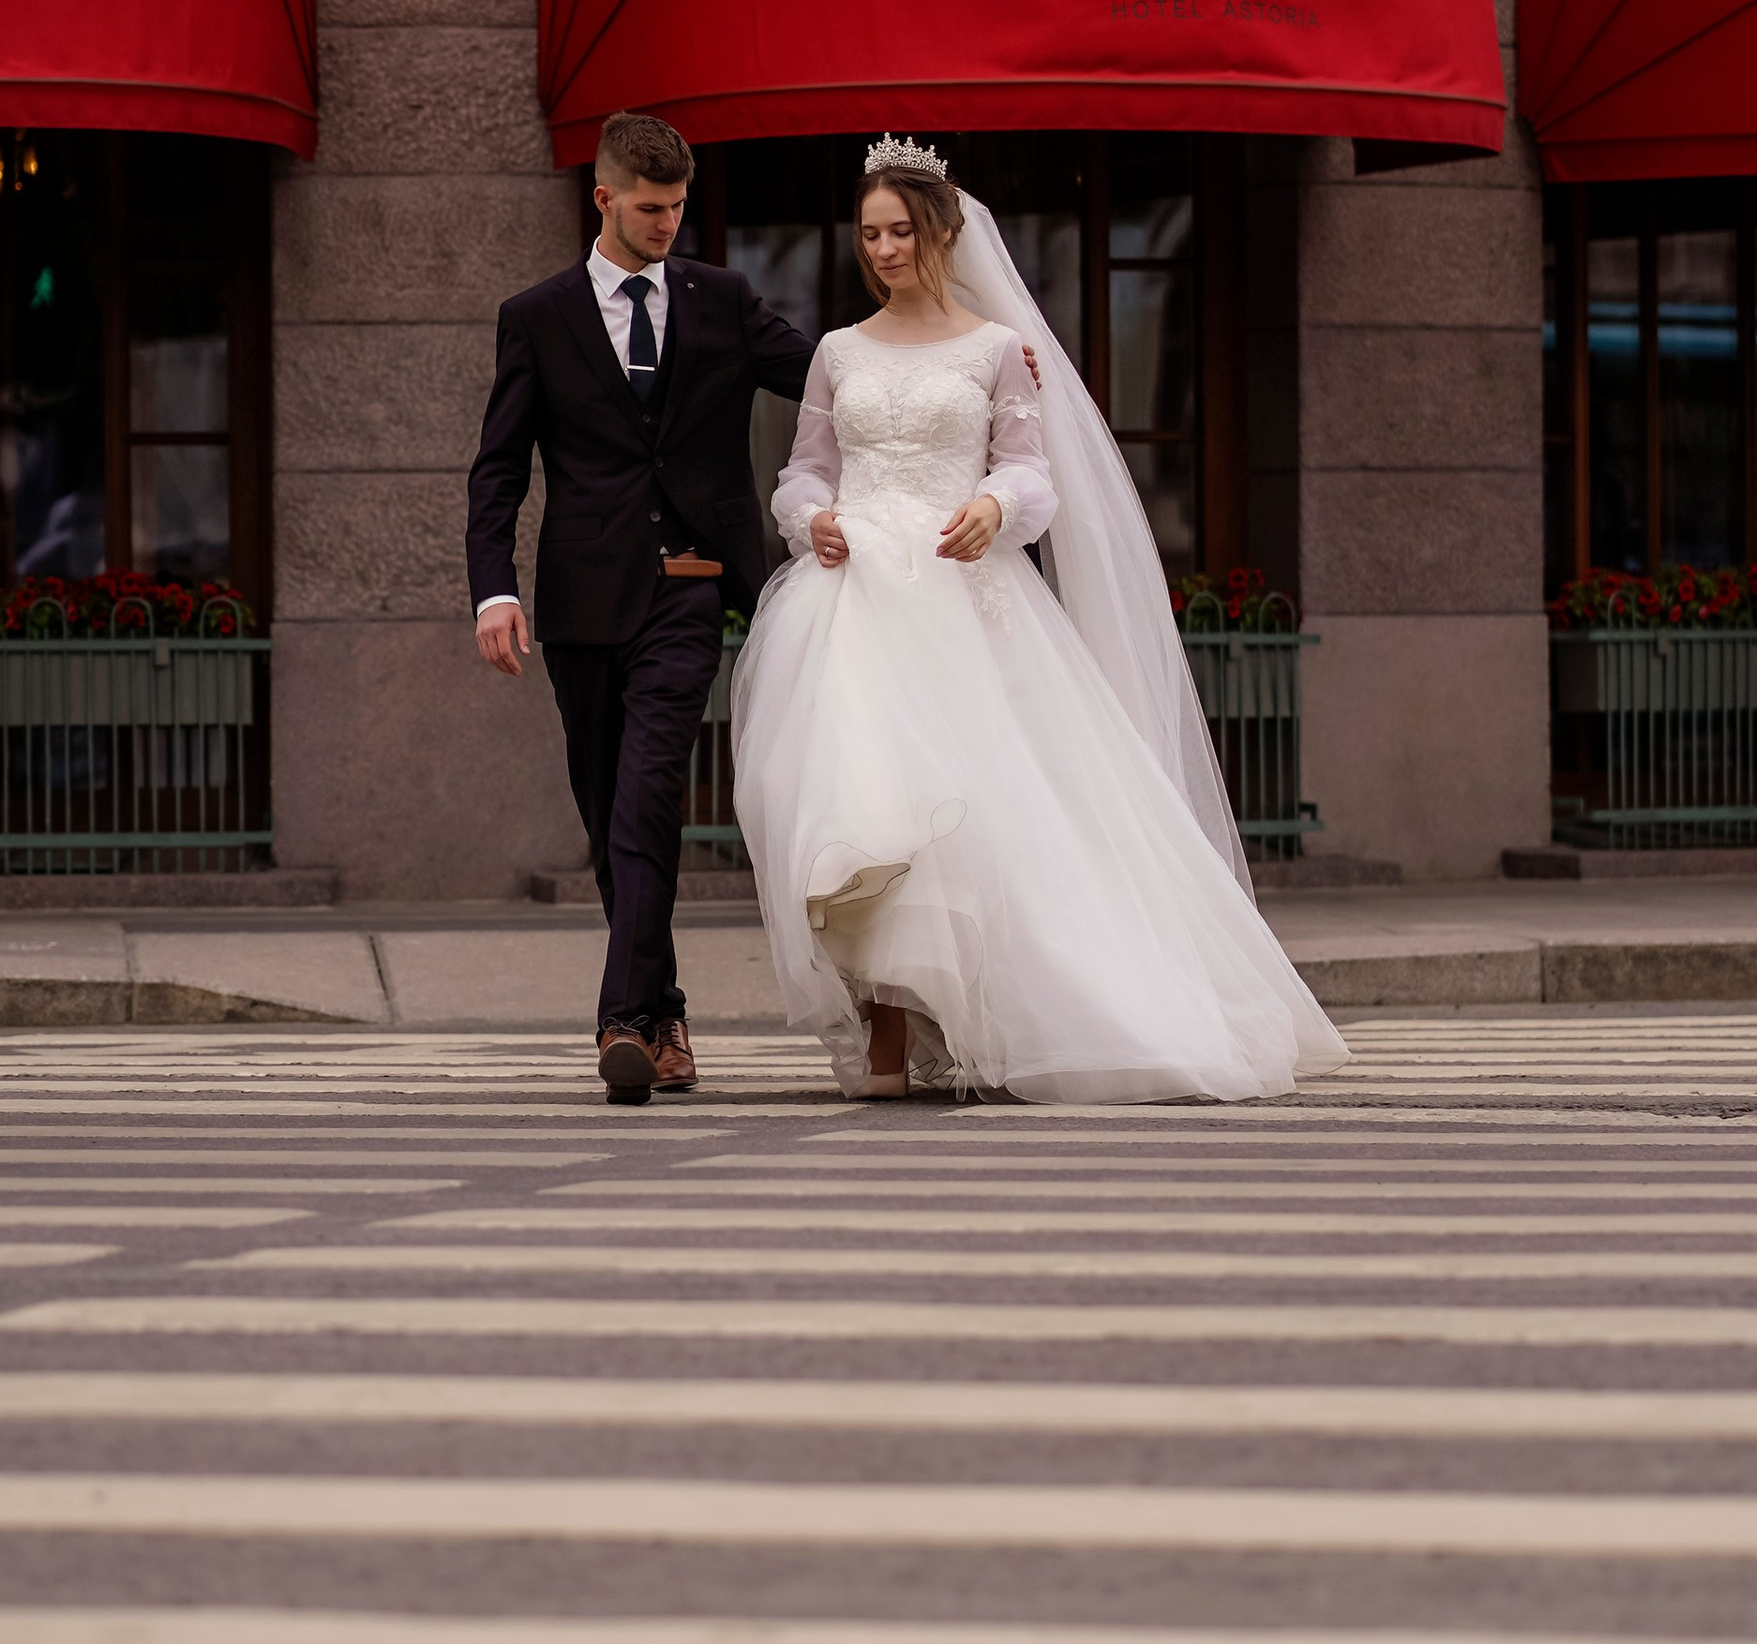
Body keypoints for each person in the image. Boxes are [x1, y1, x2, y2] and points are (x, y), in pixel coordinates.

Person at [730, 137, 1347, 1106]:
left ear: (939, 232)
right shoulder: (836, 351)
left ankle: (1001, 1011)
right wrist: (808, 519)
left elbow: (1030, 470)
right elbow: (804, 468)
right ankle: (885, 1032)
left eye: (897, 231)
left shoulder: (994, 350)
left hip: (960, 599)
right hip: (852, 607)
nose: (882, 249)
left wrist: (996, 508)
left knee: (973, 816)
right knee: (856, 813)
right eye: (868, 233)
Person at [467, 110, 816, 1101]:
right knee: (605, 814)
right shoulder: (535, 316)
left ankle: (621, 1020)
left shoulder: (722, 298)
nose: (667, 227)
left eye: (677, 210)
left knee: (648, 800)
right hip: (581, 603)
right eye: (651, 210)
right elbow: (496, 473)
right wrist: (494, 588)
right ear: (604, 199)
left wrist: (959, 361)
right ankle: (662, 1012)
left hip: (692, 590)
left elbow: (831, 378)